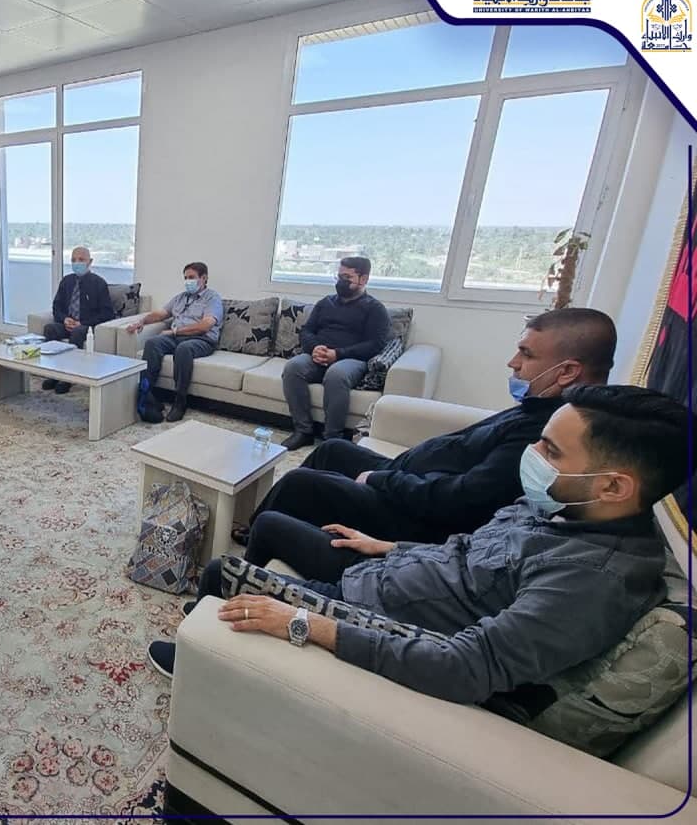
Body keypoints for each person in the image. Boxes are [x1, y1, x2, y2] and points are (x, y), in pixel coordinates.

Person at [149, 384, 692, 705]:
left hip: (373, 617)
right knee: (270, 529)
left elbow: (465, 668)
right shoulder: (564, 507)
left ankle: (201, 657)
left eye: (550, 451)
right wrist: (390, 547)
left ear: (614, 485)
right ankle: (209, 641)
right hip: (384, 574)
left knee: (221, 571)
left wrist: (305, 623)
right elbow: (469, 552)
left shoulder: (592, 579)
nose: (533, 456)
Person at [240, 307, 618, 581]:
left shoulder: (550, 433)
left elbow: (461, 500)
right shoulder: (541, 406)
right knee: (330, 450)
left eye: (527, 354)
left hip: (415, 512)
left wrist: (381, 479)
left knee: (298, 482)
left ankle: (260, 547)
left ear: (567, 371)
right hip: (408, 480)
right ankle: (269, 529)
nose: (512, 362)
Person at [281, 257, 390, 450]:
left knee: (336, 375)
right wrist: (315, 348)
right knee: (293, 367)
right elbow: (307, 331)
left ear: (364, 279)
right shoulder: (326, 303)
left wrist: (338, 354)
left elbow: (375, 344)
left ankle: (332, 439)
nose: (341, 282)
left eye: (347, 277)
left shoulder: (375, 309)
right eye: (339, 277)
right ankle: (303, 431)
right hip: (318, 355)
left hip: (351, 359)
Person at [127, 262, 223, 423]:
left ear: (204, 278)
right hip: (177, 337)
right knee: (152, 343)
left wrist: (175, 331)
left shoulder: (212, 298)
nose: (188, 281)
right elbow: (161, 314)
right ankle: (148, 394)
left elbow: (205, 326)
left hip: (202, 339)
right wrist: (141, 321)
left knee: (183, 349)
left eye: (191, 277)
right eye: (185, 278)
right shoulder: (180, 298)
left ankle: (180, 402)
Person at [40, 246, 114, 394]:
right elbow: (56, 306)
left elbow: (107, 313)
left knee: (78, 332)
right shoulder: (66, 281)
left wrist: (83, 323)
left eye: (81, 259)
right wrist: (64, 319)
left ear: (90, 262)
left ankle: (69, 377)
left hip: (87, 326)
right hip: (67, 323)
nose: (77, 263)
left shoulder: (99, 283)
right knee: (50, 328)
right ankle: (53, 373)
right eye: (74, 260)